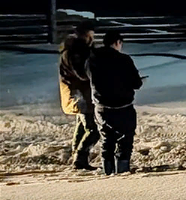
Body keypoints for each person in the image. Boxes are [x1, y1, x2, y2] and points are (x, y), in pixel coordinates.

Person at [86, 31, 144, 175]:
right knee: (125, 139)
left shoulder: (91, 59)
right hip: (123, 106)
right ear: (117, 42)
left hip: (101, 106)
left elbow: (88, 77)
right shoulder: (124, 59)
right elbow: (136, 83)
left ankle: (108, 170)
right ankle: (122, 171)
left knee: (107, 139)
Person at [59, 21, 99, 170]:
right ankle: (80, 158)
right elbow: (83, 74)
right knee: (93, 130)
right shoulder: (75, 53)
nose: (91, 39)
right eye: (89, 36)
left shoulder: (78, 51)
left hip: (80, 95)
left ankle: (77, 157)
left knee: (82, 126)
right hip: (79, 96)